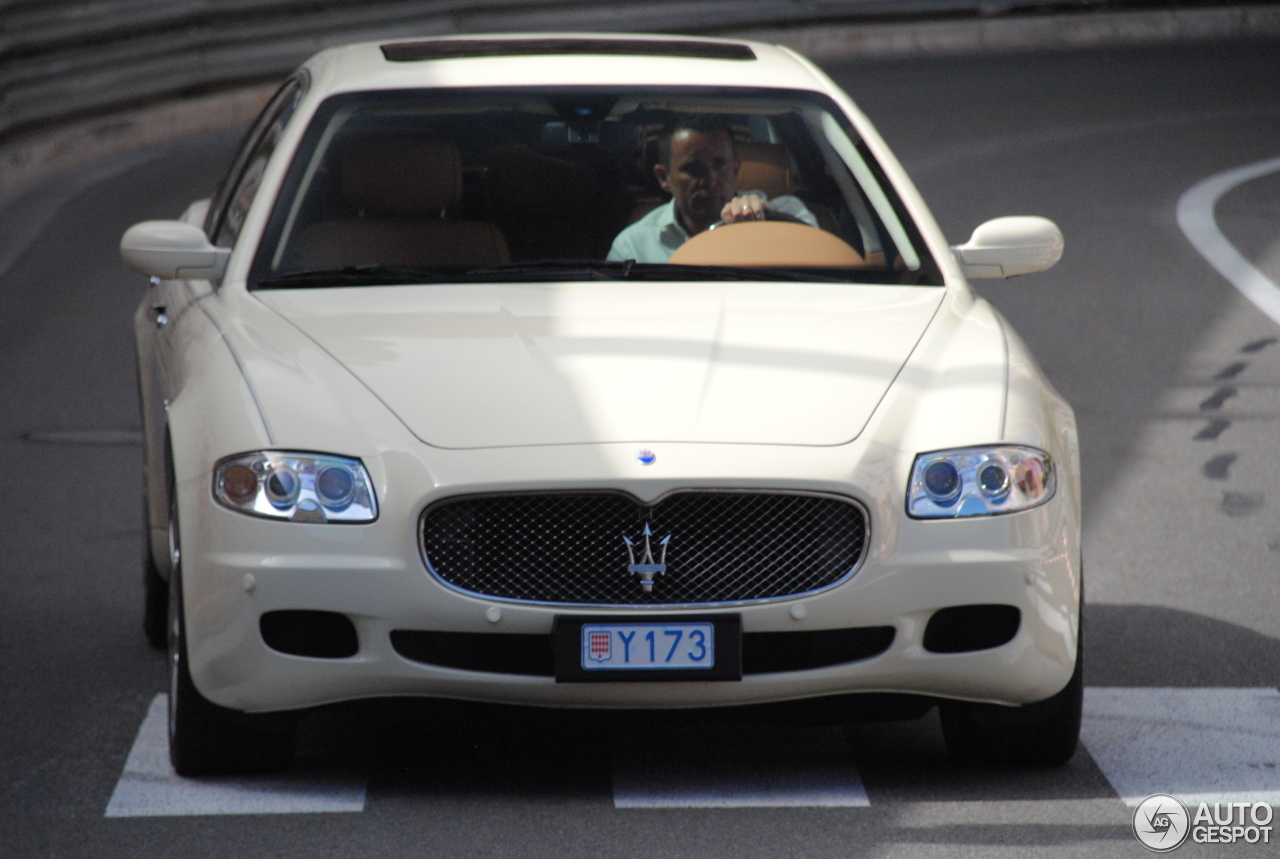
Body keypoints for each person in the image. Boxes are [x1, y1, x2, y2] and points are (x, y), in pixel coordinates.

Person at [607, 115, 816, 264]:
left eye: (719, 165)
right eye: (693, 169)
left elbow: (822, 278)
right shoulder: (634, 248)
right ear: (664, 177)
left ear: (736, 170)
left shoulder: (788, 215)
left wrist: (765, 228)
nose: (711, 180)